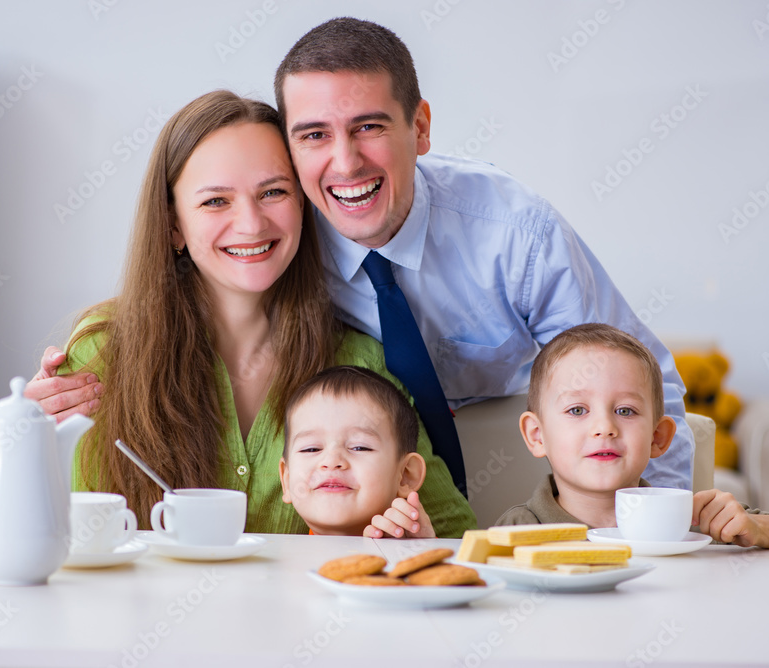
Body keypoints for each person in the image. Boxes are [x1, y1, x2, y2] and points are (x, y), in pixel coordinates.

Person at [29, 17, 694, 492]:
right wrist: (82, 373)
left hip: (533, 463)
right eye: (314, 136)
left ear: (420, 127)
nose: (344, 164)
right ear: (290, 149)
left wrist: (651, 540)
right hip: (388, 467)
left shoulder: (514, 233)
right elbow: (194, 274)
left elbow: (642, 386)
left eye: (369, 127)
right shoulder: (277, 236)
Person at [50, 90, 475, 537]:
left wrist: (414, 541)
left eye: (273, 192)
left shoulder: (361, 361)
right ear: (173, 223)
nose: (251, 224)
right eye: (216, 201)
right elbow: (66, 536)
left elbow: (454, 537)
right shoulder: (101, 352)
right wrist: (28, 446)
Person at [494, 324, 769, 547]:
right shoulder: (517, 531)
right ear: (537, 435)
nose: (605, 427)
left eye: (625, 411)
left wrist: (759, 530)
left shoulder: (688, 519)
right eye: (578, 410)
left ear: (659, 437)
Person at [279, 365, 435, 538]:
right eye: (311, 449)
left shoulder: (418, 549)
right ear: (286, 479)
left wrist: (422, 552)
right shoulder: (278, 560)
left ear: (405, 475)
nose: (331, 460)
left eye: (359, 447)